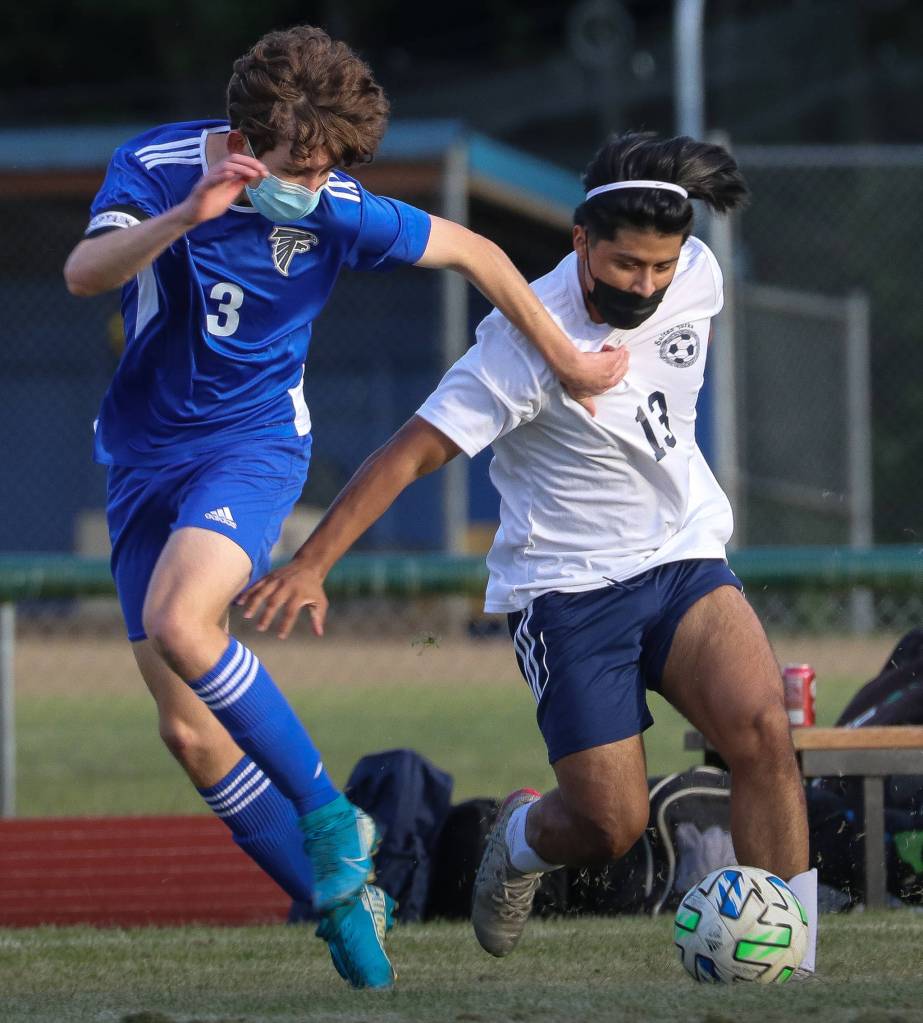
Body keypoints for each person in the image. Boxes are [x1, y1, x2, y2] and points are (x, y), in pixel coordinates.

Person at [62, 25, 627, 990]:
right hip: (140, 461)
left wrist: (568, 360)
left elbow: (480, 255)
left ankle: (330, 816)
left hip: (250, 447)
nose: (314, 185)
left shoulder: (337, 207)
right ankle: (345, 898)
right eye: (299, 166)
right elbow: (86, 274)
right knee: (187, 731)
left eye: (329, 168)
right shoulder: (156, 167)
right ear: (247, 137)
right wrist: (188, 217)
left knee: (180, 619)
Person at [240, 131, 819, 977]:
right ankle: (515, 842)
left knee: (762, 727)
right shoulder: (517, 347)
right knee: (608, 825)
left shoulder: (697, 272)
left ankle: (789, 959)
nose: (647, 285)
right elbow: (408, 452)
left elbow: (669, 272)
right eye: (626, 265)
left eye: (659, 267)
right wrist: (310, 562)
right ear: (580, 241)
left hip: (682, 555)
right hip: (567, 591)